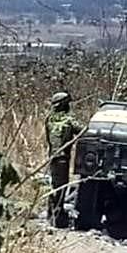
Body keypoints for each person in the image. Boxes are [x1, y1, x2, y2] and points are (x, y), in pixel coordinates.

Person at [45, 91, 83, 228]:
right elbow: (83, 131)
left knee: (54, 186)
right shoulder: (68, 120)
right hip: (62, 159)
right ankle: (57, 218)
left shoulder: (49, 119)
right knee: (60, 187)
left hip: (52, 158)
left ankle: (51, 215)